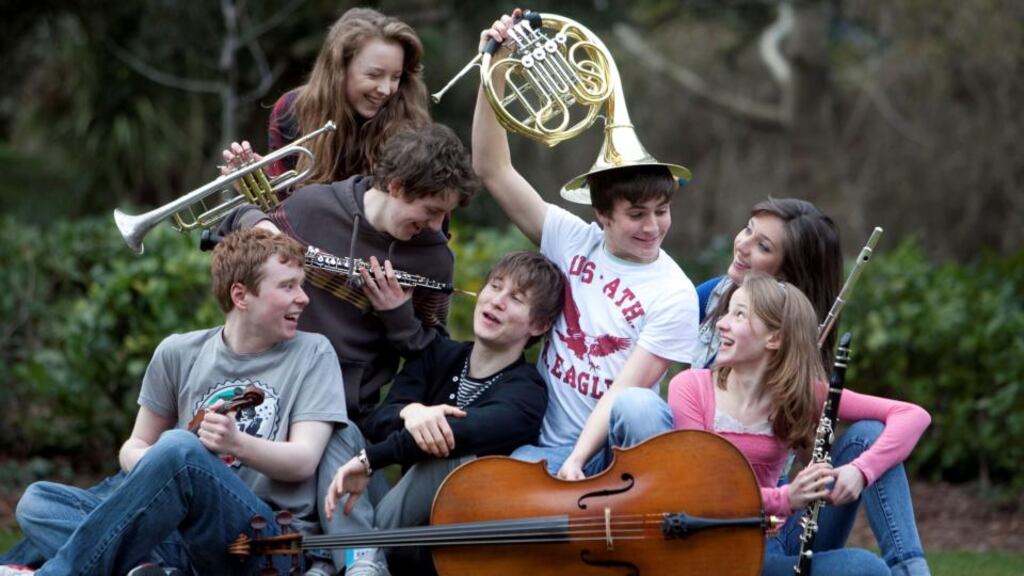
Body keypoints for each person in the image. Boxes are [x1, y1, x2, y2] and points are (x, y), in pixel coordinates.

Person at [0, 229, 348, 575]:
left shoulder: (313, 353)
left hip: (266, 541)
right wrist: (158, 469)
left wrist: (233, 443)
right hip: (180, 539)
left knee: (180, 448)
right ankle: (149, 570)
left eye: (300, 285)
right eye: (288, 286)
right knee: (38, 502)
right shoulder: (179, 352)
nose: (303, 298)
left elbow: (304, 460)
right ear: (241, 295)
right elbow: (133, 446)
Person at [472, 12, 700, 481]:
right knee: (504, 482)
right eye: (637, 215)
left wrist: (577, 461)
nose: (653, 226)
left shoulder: (674, 293)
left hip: (619, 453)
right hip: (546, 448)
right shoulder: (570, 237)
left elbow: (625, 392)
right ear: (602, 216)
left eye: (662, 210)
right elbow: (492, 169)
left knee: (640, 405)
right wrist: (492, 68)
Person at [613, 273, 932, 575]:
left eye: (738, 315)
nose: (721, 324)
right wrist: (785, 498)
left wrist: (861, 471)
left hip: (777, 539)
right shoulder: (691, 387)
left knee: (868, 436)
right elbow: (700, 494)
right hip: (719, 548)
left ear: (775, 338)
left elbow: (913, 416)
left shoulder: (801, 393)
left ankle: (911, 570)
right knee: (867, 569)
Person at [322, 251, 565, 576]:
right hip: (393, 518)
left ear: (540, 324)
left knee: (451, 460)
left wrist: (370, 460)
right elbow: (379, 420)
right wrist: (412, 412)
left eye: (517, 298)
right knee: (341, 431)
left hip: (439, 546)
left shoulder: (527, 393)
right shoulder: (438, 353)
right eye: (495, 287)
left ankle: (337, 557)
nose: (497, 301)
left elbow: (455, 436)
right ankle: (362, 562)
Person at [218, 123, 478, 426]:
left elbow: (433, 356)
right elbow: (231, 227)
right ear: (396, 186)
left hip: (341, 411)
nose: (437, 226)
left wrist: (398, 317)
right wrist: (261, 225)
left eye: (444, 214)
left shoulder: (434, 259)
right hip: (260, 383)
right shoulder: (312, 206)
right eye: (431, 210)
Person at [224, 7, 430, 187]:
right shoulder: (291, 109)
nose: (386, 89)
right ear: (339, 69)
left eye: (396, 77)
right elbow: (284, 214)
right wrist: (262, 190)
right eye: (374, 75)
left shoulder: (409, 121)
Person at [693, 198, 841, 369]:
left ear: (789, 272)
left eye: (763, 246)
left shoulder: (791, 342)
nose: (742, 246)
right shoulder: (717, 291)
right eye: (748, 230)